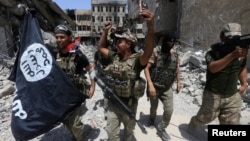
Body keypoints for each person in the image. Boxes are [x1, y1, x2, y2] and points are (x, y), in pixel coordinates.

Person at [98, 8, 154, 141]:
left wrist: (151, 26)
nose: (116, 44)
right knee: (112, 135)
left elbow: (149, 49)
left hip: (129, 105)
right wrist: (105, 31)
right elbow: (101, 48)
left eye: (120, 42)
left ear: (128, 44)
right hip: (113, 104)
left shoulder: (137, 60)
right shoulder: (114, 57)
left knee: (128, 134)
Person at [188, 23, 248, 131]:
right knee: (205, 118)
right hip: (213, 94)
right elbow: (213, 68)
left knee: (231, 125)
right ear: (222, 36)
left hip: (232, 94)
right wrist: (232, 55)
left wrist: (244, 83)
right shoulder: (213, 53)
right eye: (230, 37)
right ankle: (194, 122)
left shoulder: (240, 53)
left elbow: (242, 67)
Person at [54, 24, 96, 141]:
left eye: (62, 37)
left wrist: (92, 87)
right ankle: (75, 135)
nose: (59, 40)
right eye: (57, 37)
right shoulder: (53, 54)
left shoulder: (78, 55)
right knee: (66, 120)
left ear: (69, 37)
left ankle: (81, 138)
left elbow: (91, 70)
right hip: (61, 95)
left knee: (75, 123)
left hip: (75, 94)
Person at [144, 32, 181, 141]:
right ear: (165, 42)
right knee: (154, 108)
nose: (170, 46)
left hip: (166, 88)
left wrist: (179, 82)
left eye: (172, 44)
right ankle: (151, 119)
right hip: (155, 86)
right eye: (169, 43)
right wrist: (150, 85)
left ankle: (161, 128)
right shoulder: (156, 52)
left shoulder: (175, 54)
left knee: (169, 110)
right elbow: (147, 68)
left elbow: (176, 69)